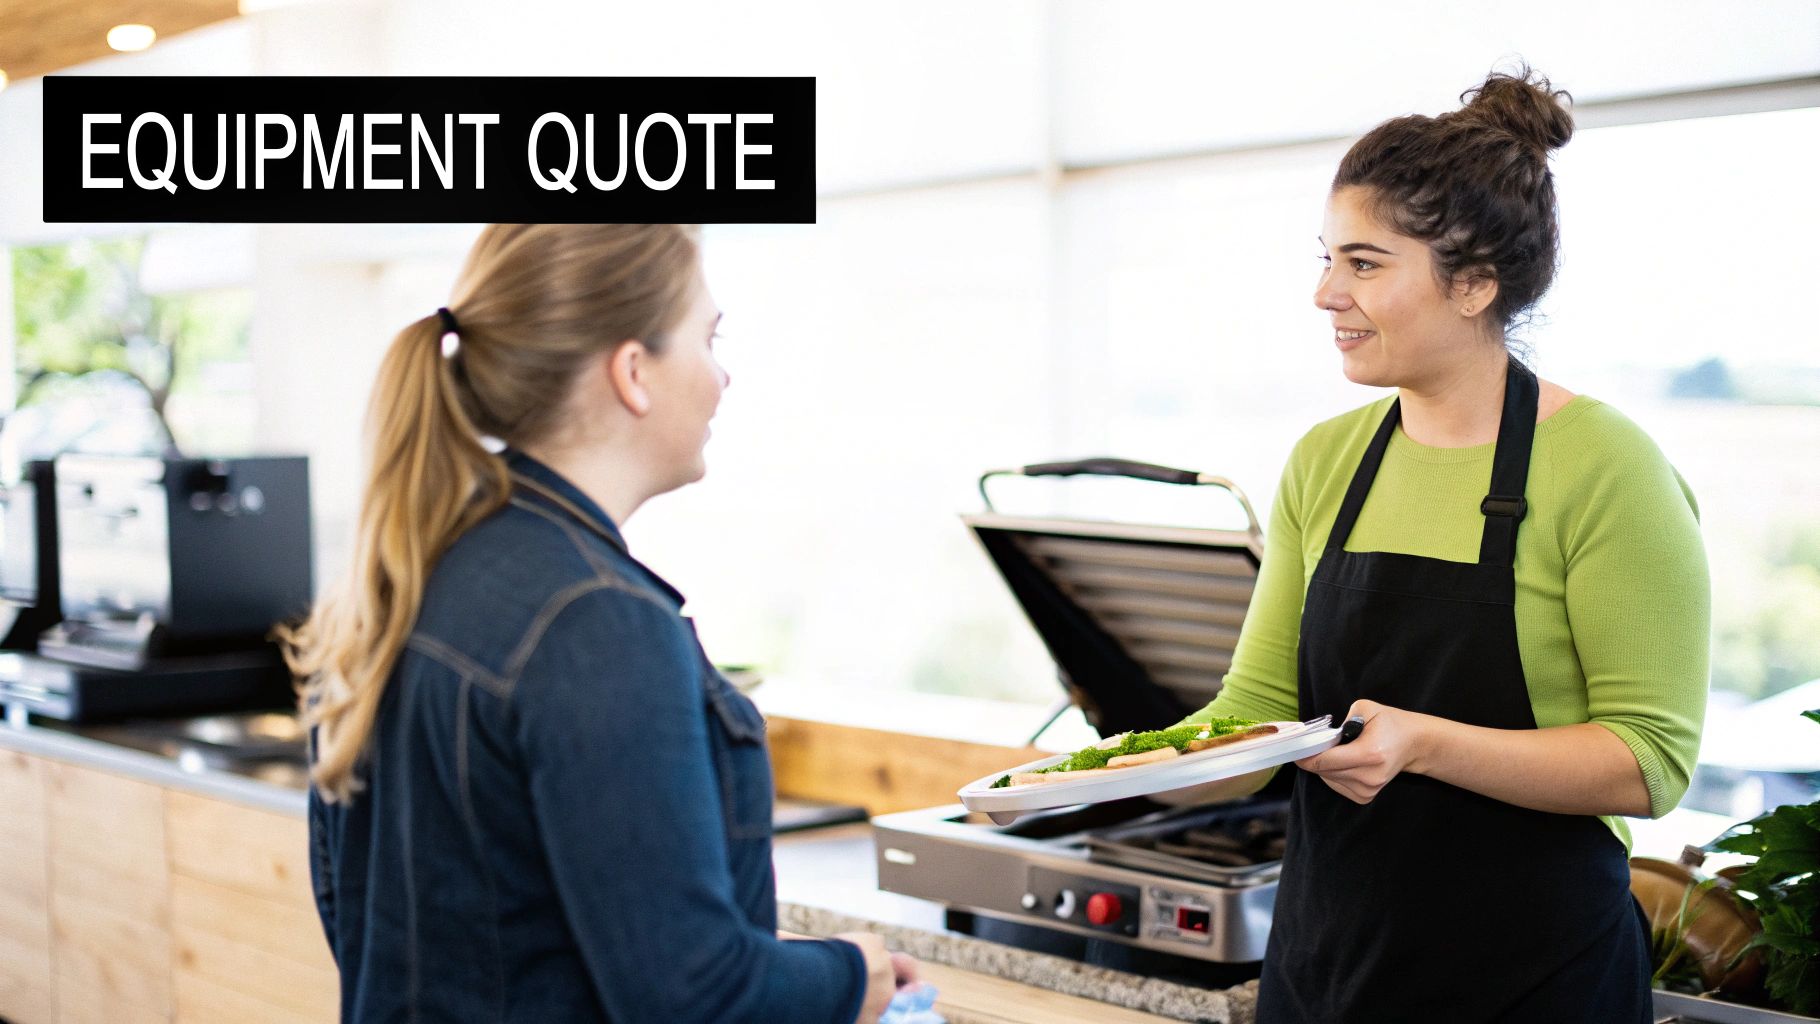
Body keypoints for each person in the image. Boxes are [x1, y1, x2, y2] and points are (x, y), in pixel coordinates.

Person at [1172, 67, 1709, 1022]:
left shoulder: (1607, 469)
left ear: (1474, 284)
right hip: (1326, 970)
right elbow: (1255, 713)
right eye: (1328, 257)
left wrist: (1423, 746)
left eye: (1365, 264)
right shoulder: (1326, 460)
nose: (1325, 293)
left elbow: (1647, 762)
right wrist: (1109, 775)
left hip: (1532, 983)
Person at [282, 224, 913, 1023]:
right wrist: (853, 973)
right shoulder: (596, 624)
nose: (725, 376)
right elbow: (695, 999)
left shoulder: (412, 571)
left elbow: (357, 918)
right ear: (633, 371)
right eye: (708, 339)